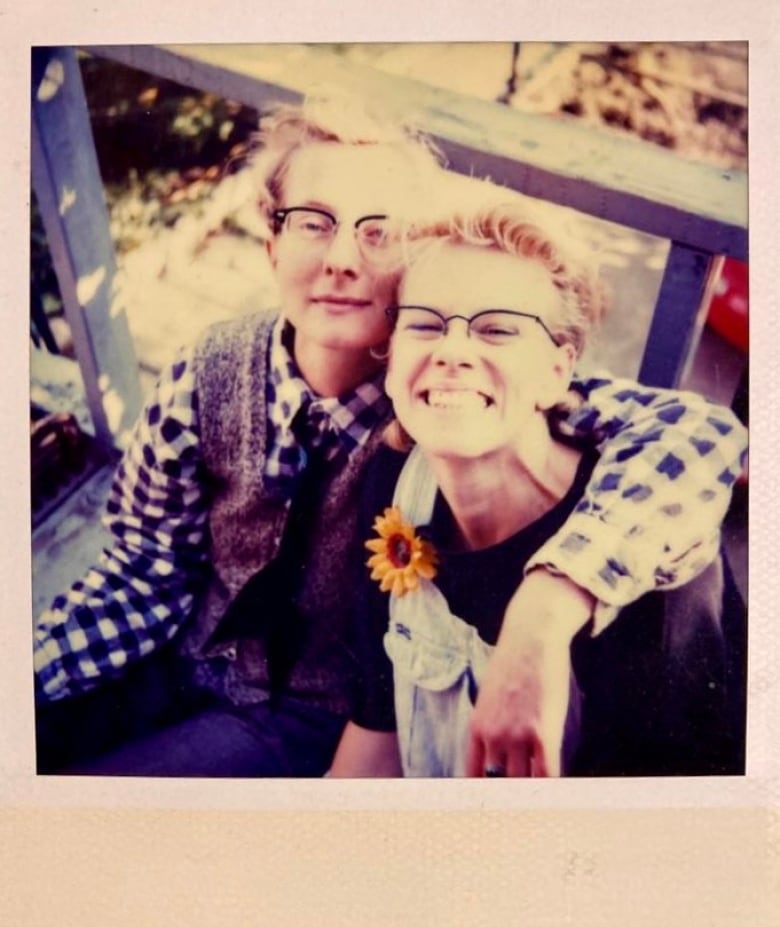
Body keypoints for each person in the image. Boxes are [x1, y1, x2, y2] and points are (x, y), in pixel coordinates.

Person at [34, 93, 747, 777]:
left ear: (411, 263)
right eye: (314, 221)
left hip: (304, 713)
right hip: (186, 653)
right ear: (271, 239)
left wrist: (547, 605)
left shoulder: (440, 409)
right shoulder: (210, 370)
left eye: (378, 232)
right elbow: (146, 564)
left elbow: (686, 431)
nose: (342, 258)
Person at [329, 201, 746, 778]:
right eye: (424, 323)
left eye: (497, 330)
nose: (451, 351)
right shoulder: (394, 482)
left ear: (557, 369)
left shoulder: (653, 565)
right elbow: (377, 732)